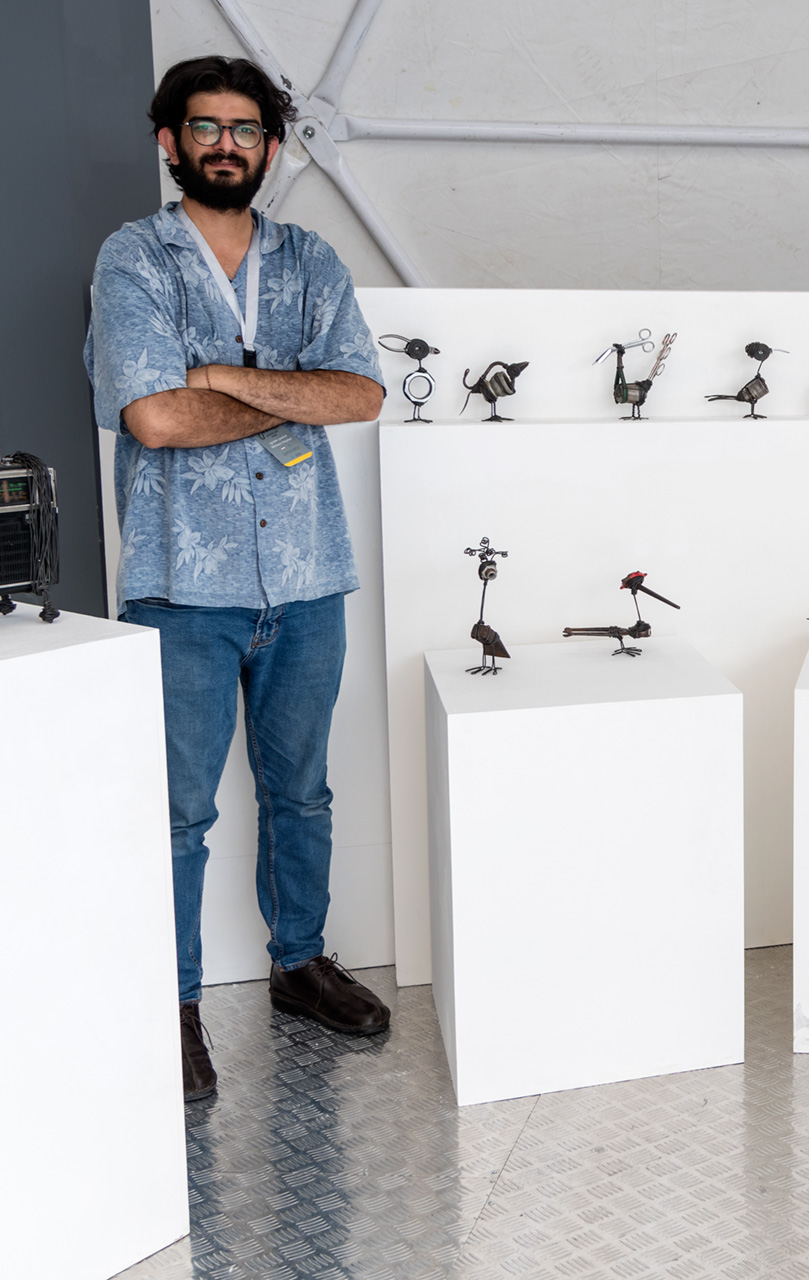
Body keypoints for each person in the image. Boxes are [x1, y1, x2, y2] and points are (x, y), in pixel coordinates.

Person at [85, 56, 390, 1102]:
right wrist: (288, 388)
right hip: (183, 587)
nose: (228, 144)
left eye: (247, 129)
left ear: (271, 146)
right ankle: (170, 1003)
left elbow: (361, 396)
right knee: (178, 811)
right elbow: (155, 417)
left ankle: (298, 963)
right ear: (170, 142)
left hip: (308, 578)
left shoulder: (311, 260)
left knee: (301, 791)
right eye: (207, 127)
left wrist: (219, 375)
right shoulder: (134, 258)